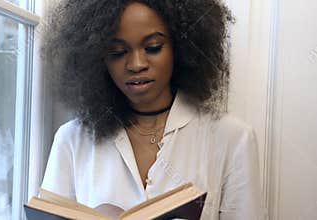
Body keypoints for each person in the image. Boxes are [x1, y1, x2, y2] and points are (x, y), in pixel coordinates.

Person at [40, 0, 266, 219]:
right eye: (118, 52)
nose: (136, 64)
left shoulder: (231, 138)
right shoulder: (72, 140)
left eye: (153, 48)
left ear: (180, 47)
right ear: (98, 57)